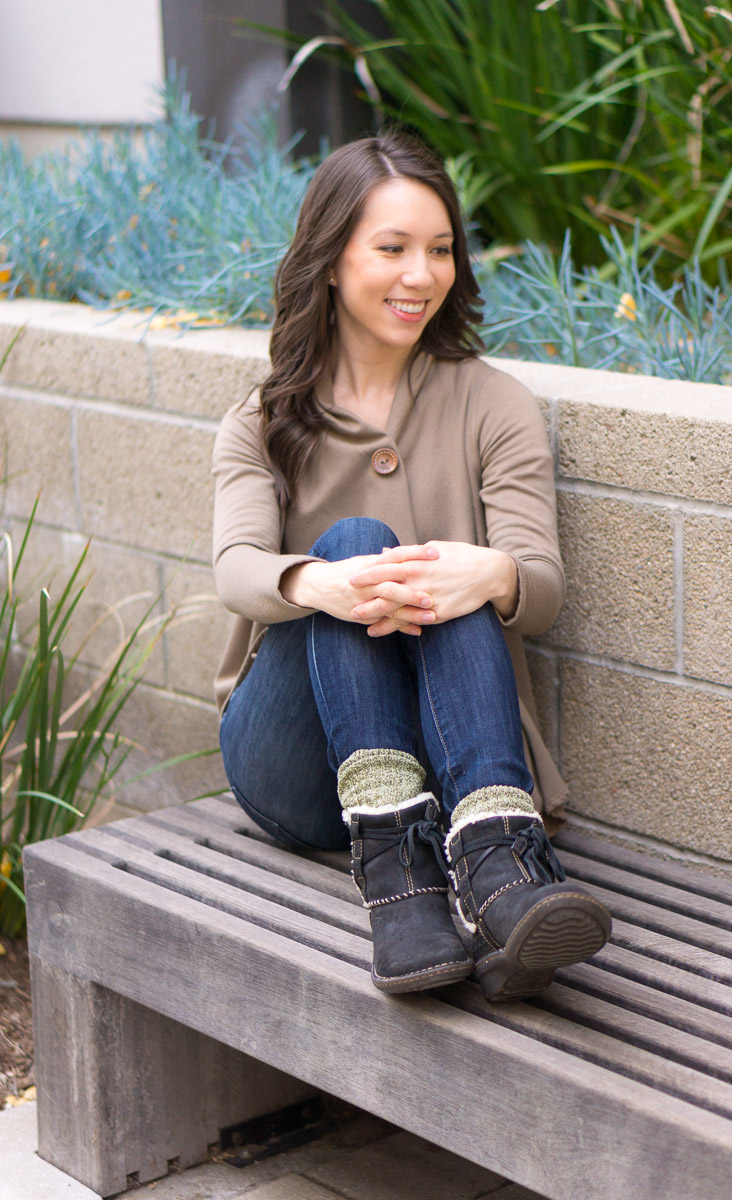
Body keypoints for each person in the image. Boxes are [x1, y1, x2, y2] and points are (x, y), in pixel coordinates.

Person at [212, 130, 611, 1002]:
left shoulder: (493, 404)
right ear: (329, 260)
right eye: (391, 249)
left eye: (439, 250)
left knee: (458, 567)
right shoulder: (263, 417)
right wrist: (324, 584)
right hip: (295, 763)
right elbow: (235, 567)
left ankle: (497, 869)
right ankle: (396, 868)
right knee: (357, 545)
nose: (420, 275)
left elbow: (539, 589)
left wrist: (492, 576)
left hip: (451, 758)